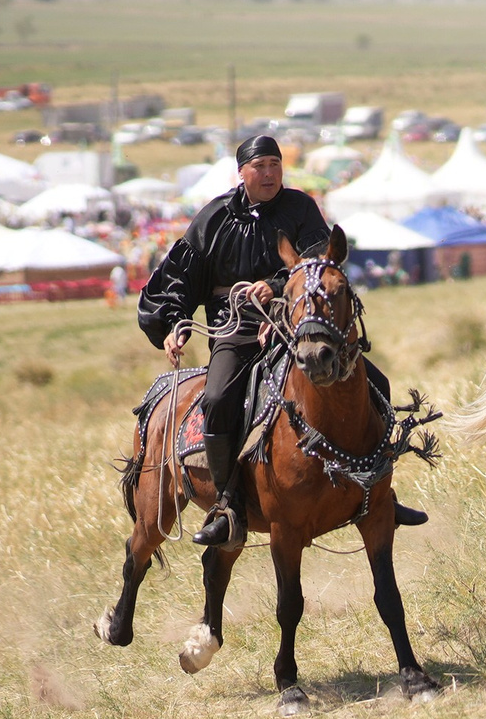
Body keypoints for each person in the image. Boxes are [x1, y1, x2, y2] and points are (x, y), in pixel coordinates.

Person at [135, 134, 429, 547]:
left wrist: (276, 286)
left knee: (374, 381)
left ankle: (378, 493)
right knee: (218, 399)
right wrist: (174, 323)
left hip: (298, 324)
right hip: (234, 327)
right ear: (242, 172)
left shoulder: (300, 208)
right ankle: (228, 504)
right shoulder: (214, 218)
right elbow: (177, 280)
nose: (270, 173)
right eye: (260, 166)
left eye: (275, 164)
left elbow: (318, 261)